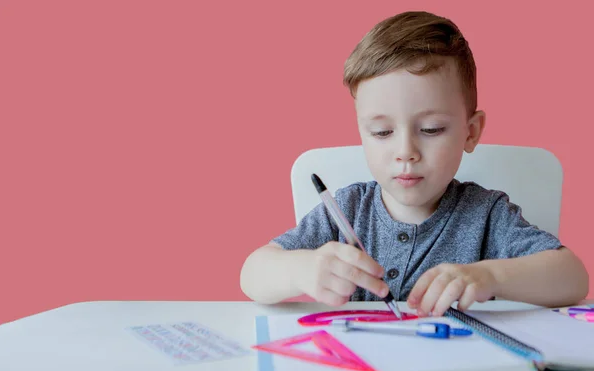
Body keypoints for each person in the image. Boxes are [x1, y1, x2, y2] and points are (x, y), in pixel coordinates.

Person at [239, 11, 589, 317]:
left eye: (431, 129)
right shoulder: (346, 210)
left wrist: (489, 277)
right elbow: (252, 274)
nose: (405, 151)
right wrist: (302, 270)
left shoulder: (486, 214)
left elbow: (573, 278)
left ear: (470, 133)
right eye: (382, 131)